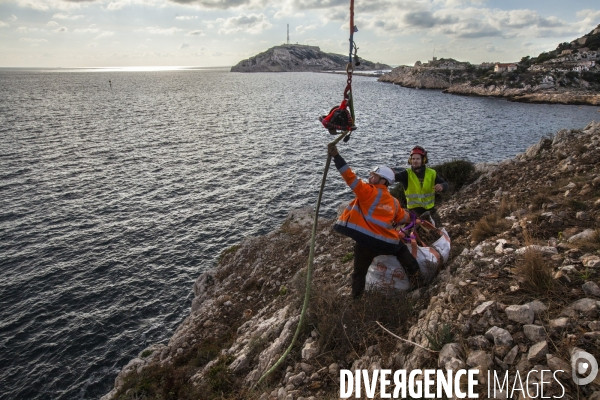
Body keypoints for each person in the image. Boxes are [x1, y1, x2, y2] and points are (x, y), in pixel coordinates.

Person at [328, 144, 420, 299]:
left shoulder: (367, 192)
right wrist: (413, 218)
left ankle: (356, 300)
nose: (370, 177)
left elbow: (349, 176)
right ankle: (418, 283)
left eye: (373, 176)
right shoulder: (394, 202)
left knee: (359, 272)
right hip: (387, 243)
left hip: (365, 243)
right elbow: (402, 218)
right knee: (404, 254)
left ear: (383, 181)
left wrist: (336, 156)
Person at [394, 146, 448, 225]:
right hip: (413, 213)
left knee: (439, 231)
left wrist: (442, 186)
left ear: (423, 160)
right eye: (413, 159)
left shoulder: (432, 173)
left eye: (418, 159)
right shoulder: (406, 174)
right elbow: (392, 177)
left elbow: (445, 184)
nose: (415, 161)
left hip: (430, 212)